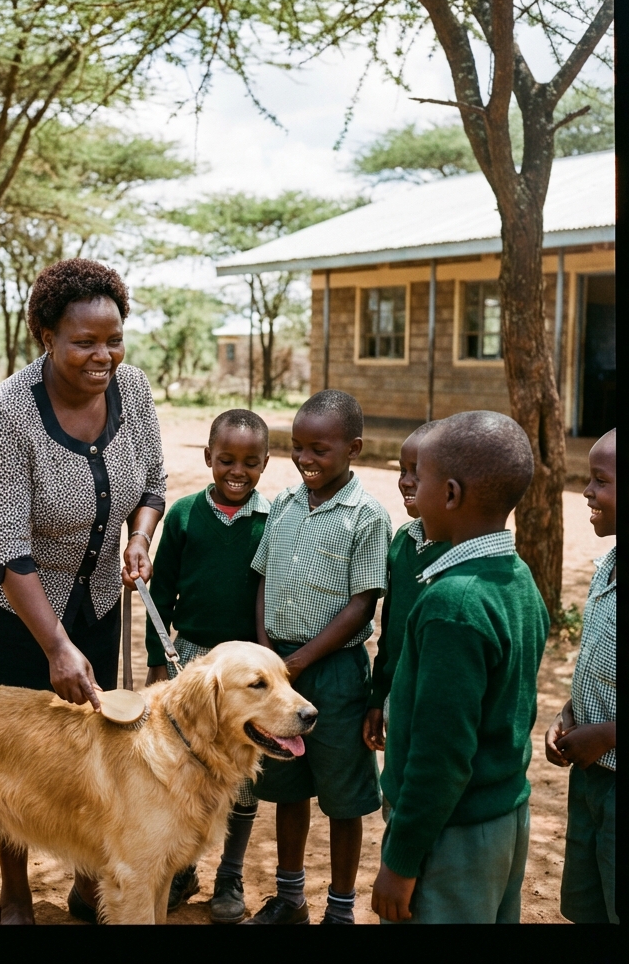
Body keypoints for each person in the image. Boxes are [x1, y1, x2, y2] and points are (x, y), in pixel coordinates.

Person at [0, 258, 166, 925]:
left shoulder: (134, 389)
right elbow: (7, 549)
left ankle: (88, 876)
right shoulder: (6, 415)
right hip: (4, 596)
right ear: (46, 336)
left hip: (94, 589)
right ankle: (15, 891)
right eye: (85, 342)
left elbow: (153, 484)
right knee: (6, 740)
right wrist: (56, 647)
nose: (104, 356)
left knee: (93, 731)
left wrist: (139, 537)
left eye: (114, 340)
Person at [371, 411, 549, 925]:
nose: (411, 487)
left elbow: (441, 754)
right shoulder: (518, 579)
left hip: (451, 834)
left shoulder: (454, 605)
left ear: (450, 494)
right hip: (501, 818)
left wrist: (401, 861)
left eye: (420, 477)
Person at [244, 389, 391, 925]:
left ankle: (341, 909)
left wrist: (301, 661)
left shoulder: (367, 516)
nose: (304, 458)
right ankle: (290, 900)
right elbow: (263, 578)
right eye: (297, 447)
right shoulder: (283, 504)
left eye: (319, 450)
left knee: (343, 794)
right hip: (279, 665)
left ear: (354, 449)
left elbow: (361, 605)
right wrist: (266, 649)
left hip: (333, 673)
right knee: (288, 784)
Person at [144, 408, 271, 924]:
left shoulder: (272, 520)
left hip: (247, 672)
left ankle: (230, 874)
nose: (237, 471)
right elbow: (161, 591)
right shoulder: (182, 515)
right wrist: (157, 659)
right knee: (186, 770)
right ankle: (180, 868)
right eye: (226, 459)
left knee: (242, 776)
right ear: (208, 458)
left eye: (250, 462)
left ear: (265, 463)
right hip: (191, 659)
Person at [545, 428, 617, 924]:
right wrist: (570, 714)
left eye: (601, 481)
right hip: (592, 777)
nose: (586, 491)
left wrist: (608, 734)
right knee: (589, 905)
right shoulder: (609, 563)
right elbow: (597, 665)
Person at [363, 421, 451, 762]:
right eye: (402, 470)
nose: (405, 481)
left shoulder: (459, 552)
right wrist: (378, 696)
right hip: (396, 701)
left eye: (418, 472)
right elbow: (391, 631)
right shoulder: (403, 540)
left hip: (437, 706)